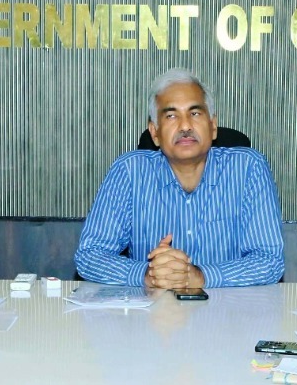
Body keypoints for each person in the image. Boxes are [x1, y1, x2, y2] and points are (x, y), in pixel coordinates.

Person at [74, 67, 284, 289]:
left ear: (213, 126)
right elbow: (90, 255)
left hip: (229, 307)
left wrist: (200, 276)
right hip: (154, 308)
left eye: (195, 113)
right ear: (155, 133)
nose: (185, 126)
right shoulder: (129, 171)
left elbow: (269, 260)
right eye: (171, 116)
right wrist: (147, 274)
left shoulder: (248, 167)